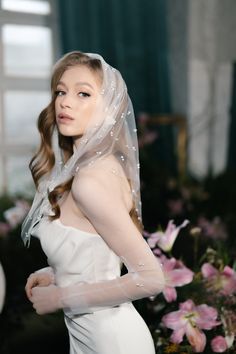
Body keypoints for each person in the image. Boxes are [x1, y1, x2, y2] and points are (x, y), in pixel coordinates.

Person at [22, 51, 165, 354]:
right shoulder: (101, 167)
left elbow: (151, 279)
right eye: (61, 91)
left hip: (112, 342)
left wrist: (61, 297)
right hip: (97, 337)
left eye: (83, 93)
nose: (65, 101)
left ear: (109, 109)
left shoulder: (89, 182)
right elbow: (100, 257)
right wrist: (56, 273)